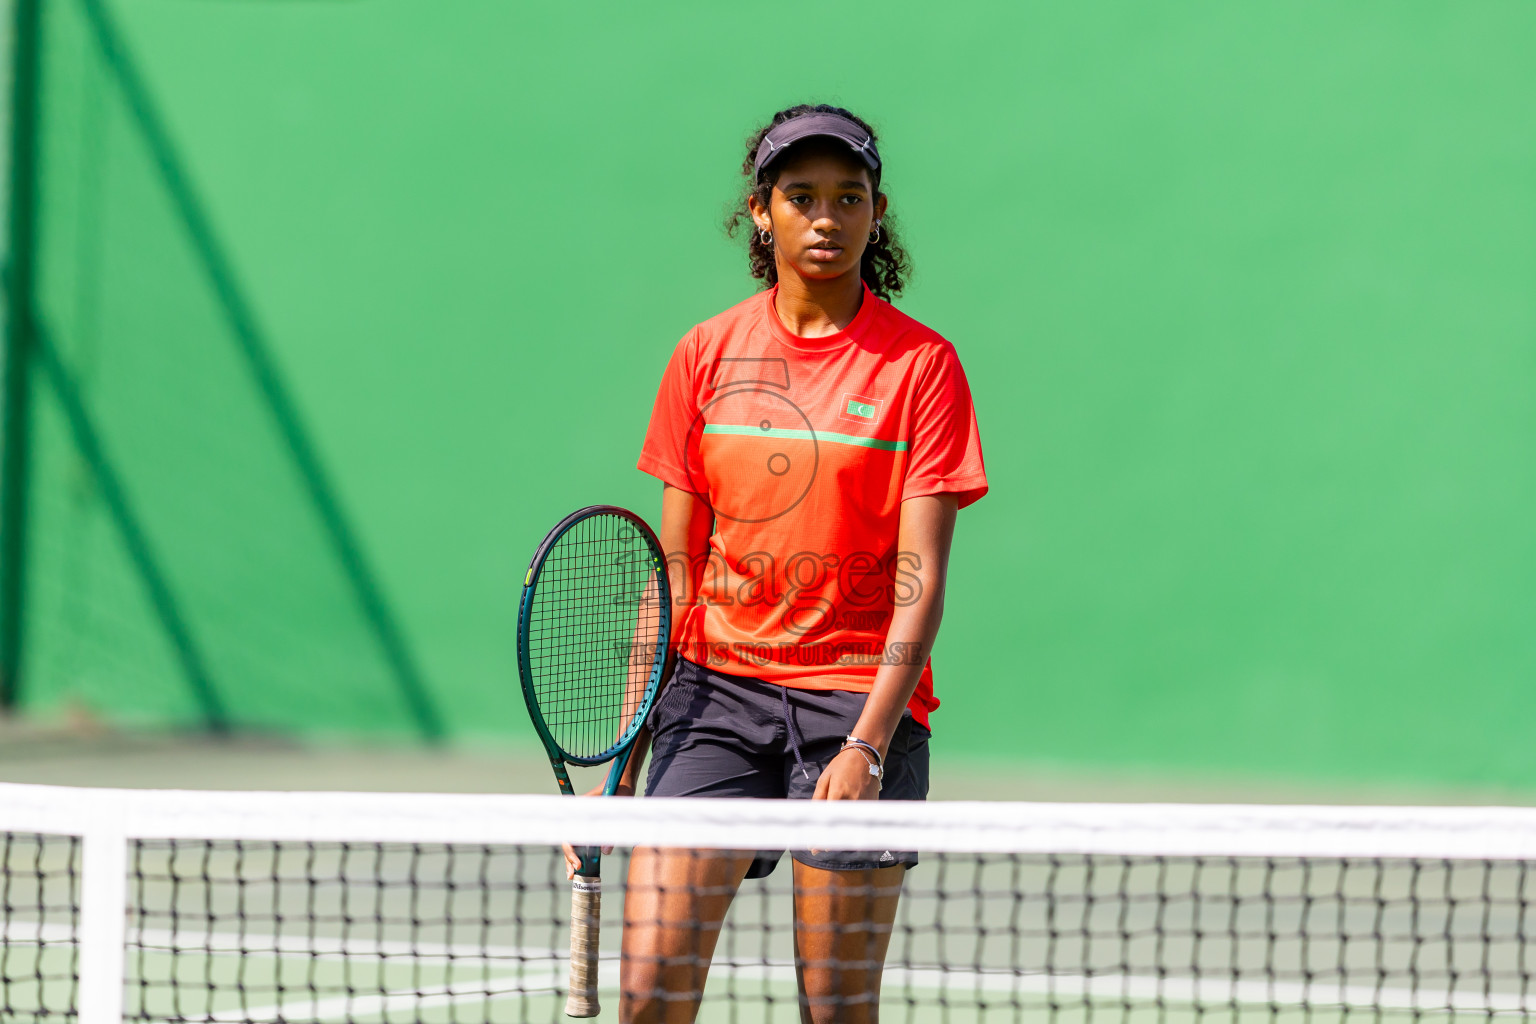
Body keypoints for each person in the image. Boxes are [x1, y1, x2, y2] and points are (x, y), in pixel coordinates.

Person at [569, 103, 987, 1023]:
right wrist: (621, 767)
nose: (826, 218)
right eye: (801, 196)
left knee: (834, 1010)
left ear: (879, 212)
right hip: (712, 694)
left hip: (855, 699)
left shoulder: (923, 369)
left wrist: (869, 742)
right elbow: (673, 568)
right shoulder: (707, 355)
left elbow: (919, 582)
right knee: (648, 996)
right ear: (762, 212)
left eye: (849, 197)